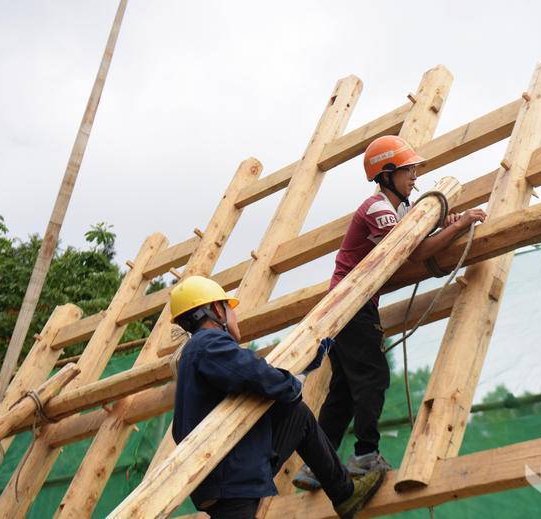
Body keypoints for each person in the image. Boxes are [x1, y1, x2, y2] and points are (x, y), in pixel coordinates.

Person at [294, 135, 486, 490]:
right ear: (385, 174)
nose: (415, 176)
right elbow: (415, 251)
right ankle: (366, 454)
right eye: (408, 169)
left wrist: (446, 224)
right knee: (373, 377)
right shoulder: (377, 209)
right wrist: (461, 225)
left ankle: (315, 466)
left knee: (344, 389)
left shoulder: (397, 212)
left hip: (343, 305)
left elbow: (418, 235)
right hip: (352, 303)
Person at [170, 275, 385, 519]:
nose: (235, 315)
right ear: (216, 309)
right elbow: (253, 372)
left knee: (297, 416)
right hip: (231, 477)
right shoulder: (208, 342)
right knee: (296, 411)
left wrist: (300, 372)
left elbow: (251, 380)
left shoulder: (194, 359)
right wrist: (292, 384)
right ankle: (345, 494)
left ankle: (344, 493)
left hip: (224, 475)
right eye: (230, 308)